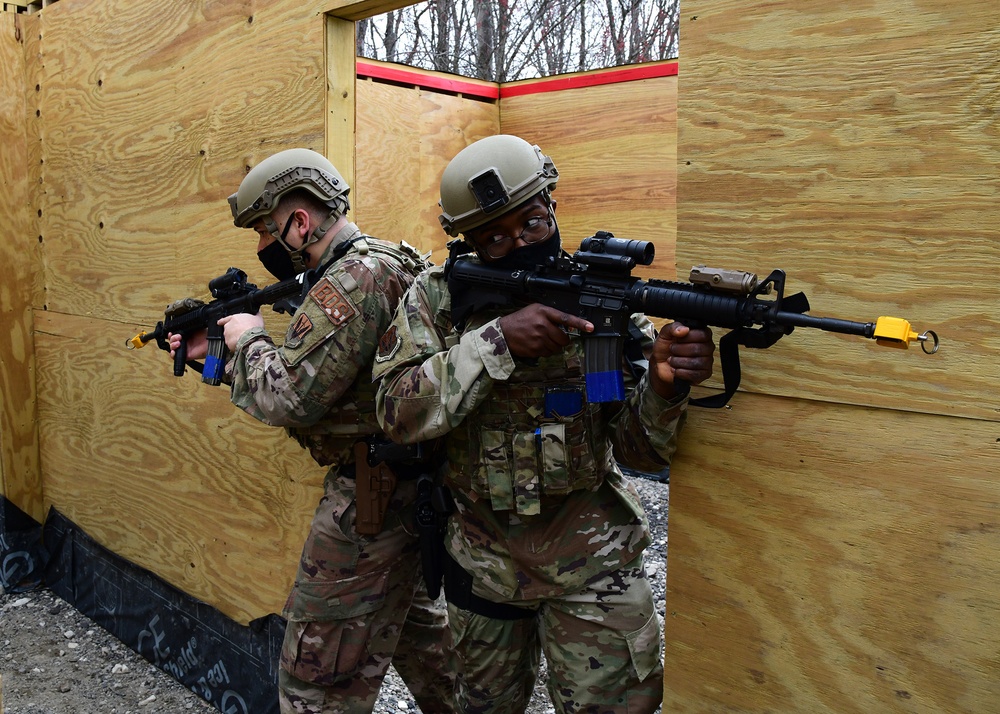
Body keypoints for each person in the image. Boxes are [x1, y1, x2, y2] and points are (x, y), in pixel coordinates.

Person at [373, 135, 716, 714]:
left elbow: (640, 452)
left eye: (532, 224)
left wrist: (662, 385)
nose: (520, 244)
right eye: (495, 238)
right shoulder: (436, 301)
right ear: (469, 244)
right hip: (481, 564)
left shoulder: (598, 308)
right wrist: (496, 342)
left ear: (552, 208)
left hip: (593, 563)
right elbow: (395, 413)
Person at [169, 148, 455, 714]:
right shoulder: (383, 260)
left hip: (373, 502)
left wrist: (248, 338)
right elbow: (332, 383)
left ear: (299, 223)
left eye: (263, 231)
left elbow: (292, 396)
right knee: (432, 654)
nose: (260, 248)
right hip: (412, 488)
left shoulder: (350, 282)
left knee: (315, 682)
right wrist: (219, 359)